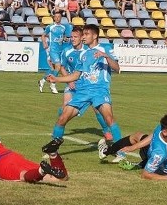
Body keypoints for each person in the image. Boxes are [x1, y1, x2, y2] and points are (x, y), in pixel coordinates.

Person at [42, 24, 124, 154]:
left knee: (109, 119)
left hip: (100, 90)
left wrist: (106, 56)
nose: (83, 37)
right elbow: (76, 75)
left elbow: (117, 68)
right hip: (83, 92)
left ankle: (121, 153)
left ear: (95, 36)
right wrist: (56, 79)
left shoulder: (106, 48)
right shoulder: (84, 53)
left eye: (86, 34)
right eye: (83, 34)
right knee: (62, 118)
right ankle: (53, 151)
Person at [59, 27, 113, 144]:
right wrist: (69, 81)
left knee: (97, 108)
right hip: (73, 82)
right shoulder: (67, 51)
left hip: (87, 84)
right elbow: (62, 67)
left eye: (76, 37)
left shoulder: (89, 50)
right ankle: (58, 133)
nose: (73, 39)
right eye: (71, 37)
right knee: (65, 106)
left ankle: (106, 131)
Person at [38, 11, 71, 94]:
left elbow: (63, 37)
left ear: (61, 18)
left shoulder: (63, 27)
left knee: (53, 69)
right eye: (55, 17)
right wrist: (45, 43)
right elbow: (43, 35)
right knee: (58, 66)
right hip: (53, 50)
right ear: (54, 18)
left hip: (60, 50)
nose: (57, 18)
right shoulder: (50, 27)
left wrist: (65, 39)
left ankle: (42, 81)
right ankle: (53, 85)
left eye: (58, 17)